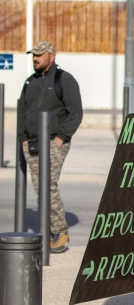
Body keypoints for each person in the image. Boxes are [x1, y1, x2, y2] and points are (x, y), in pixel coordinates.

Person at [18, 41, 83, 253]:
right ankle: (48, 232)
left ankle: (60, 232)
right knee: (40, 189)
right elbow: (22, 112)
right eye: (33, 55)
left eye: (39, 54)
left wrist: (60, 139)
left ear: (51, 56)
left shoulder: (64, 79)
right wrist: (23, 139)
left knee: (48, 186)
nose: (35, 58)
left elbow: (76, 112)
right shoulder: (30, 82)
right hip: (32, 144)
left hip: (54, 142)